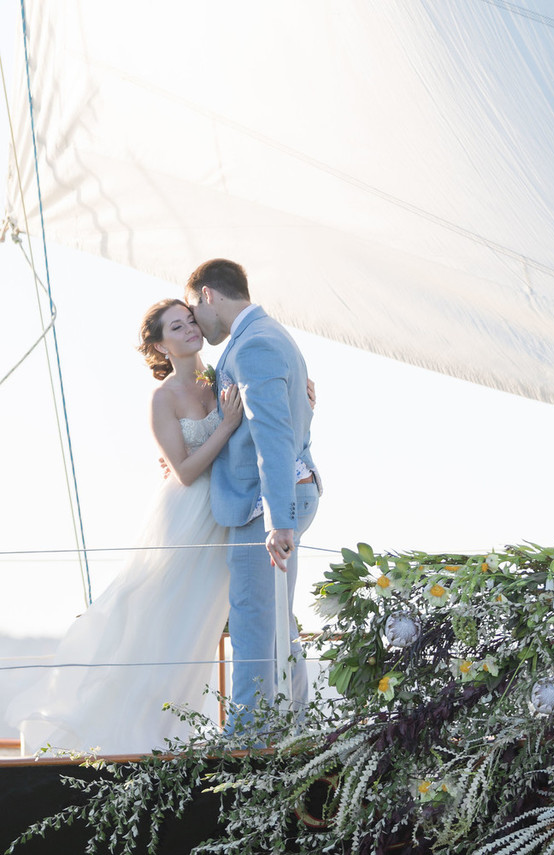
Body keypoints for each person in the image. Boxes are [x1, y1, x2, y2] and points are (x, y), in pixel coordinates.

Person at [7, 299, 243, 755]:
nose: (190, 328)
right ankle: (130, 735)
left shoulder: (219, 380)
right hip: (185, 520)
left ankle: (173, 731)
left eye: (191, 319)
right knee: (159, 623)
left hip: (219, 519)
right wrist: (226, 426)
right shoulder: (163, 398)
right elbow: (185, 471)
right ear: (160, 344)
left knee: (197, 626)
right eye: (177, 325)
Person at [185, 259, 321, 734]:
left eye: (194, 310)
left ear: (208, 296)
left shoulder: (257, 343)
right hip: (273, 499)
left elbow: (272, 434)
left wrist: (276, 521)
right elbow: (287, 417)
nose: (197, 325)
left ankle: (247, 742)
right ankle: (295, 729)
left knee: (250, 623)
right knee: (276, 624)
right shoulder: (268, 335)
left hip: (261, 505)